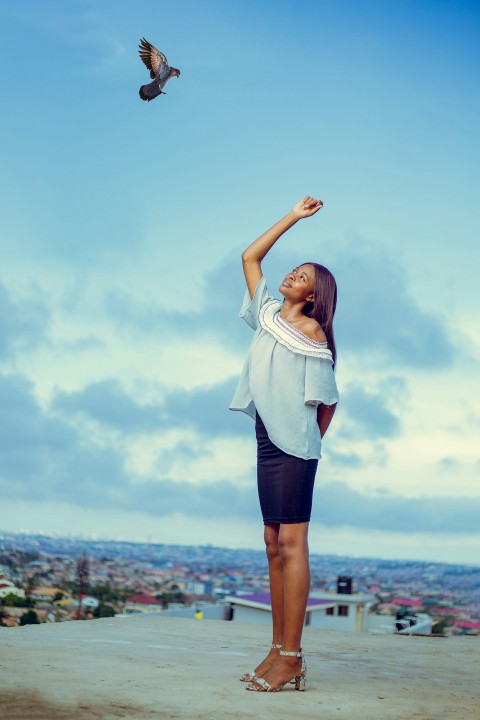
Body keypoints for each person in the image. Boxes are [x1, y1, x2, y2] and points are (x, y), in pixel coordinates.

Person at [229, 196, 339, 692]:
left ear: (314, 296)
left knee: (292, 544)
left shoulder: (312, 330)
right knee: (272, 544)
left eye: (302, 275)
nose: (292, 274)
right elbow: (250, 257)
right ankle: (277, 650)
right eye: (293, 270)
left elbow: (328, 403)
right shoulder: (268, 313)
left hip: (295, 446)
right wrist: (293, 218)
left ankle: (292, 658)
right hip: (267, 438)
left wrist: (307, 443)